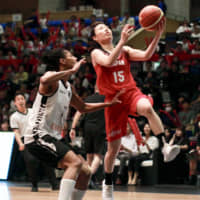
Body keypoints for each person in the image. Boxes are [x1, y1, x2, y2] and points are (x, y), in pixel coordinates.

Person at [24, 48, 123, 200]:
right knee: (75, 163)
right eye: (70, 55)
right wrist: (74, 70)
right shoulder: (50, 78)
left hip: (54, 137)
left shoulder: (69, 87)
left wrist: (108, 104)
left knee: (86, 172)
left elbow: (82, 107)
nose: (74, 56)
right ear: (62, 62)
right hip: (38, 134)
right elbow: (43, 80)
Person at [90, 19, 165, 200]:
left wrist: (157, 35)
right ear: (95, 37)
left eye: (107, 27)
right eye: (101, 29)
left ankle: (164, 146)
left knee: (147, 107)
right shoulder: (96, 53)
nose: (106, 30)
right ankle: (107, 182)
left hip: (130, 92)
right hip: (113, 101)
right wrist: (122, 41)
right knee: (112, 150)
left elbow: (146, 55)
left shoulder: (125, 51)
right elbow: (108, 61)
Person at [9, 93, 59, 192]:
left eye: (22, 99)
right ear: (15, 103)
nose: (21, 101)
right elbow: (16, 132)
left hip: (38, 138)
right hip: (25, 140)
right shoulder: (14, 117)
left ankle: (54, 184)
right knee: (31, 161)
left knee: (47, 159)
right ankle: (34, 185)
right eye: (18, 99)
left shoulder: (33, 111)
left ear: (25, 100)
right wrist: (20, 144)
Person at [69, 84, 106, 188]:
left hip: (87, 128)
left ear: (95, 89)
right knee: (98, 156)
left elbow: (78, 113)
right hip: (100, 129)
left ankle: (87, 179)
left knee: (89, 155)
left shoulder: (88, 99)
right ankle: (87, 177)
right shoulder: (107, 99)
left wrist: (73, 128)